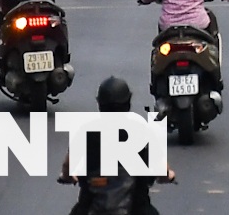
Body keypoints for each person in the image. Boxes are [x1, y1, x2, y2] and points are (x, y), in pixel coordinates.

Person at [60, 76, 170, 215]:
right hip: (137, 208)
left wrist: (67, 177)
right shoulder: (141, 130)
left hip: (90, 208)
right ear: (128, 103)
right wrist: (168, 175)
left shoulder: (86, 131)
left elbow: (67, 165)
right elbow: (162, 168)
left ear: (100, 104)